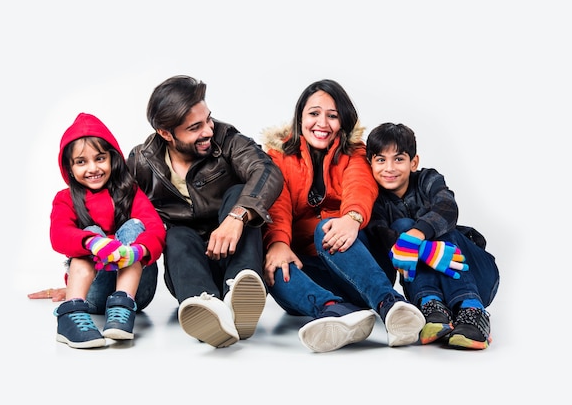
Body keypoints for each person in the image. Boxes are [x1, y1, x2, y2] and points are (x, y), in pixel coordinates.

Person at [261, 79, 425, 353]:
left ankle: (390, 304)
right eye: (314, 114)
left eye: (332, 116)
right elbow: (276, 204)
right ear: (300, 117)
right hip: (312, 272)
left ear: (343, 120)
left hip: (358, 262)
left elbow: (360, 185)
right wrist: (278, 243)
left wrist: (352, 217)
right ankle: (333, 311)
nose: (322, 123)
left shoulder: (355, 152)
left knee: (326, 227)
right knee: (273, 262)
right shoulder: (278, 156)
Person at [125, 75, 284, 348]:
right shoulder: (142, 161)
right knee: (176, 235)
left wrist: (237, 217)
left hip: (238, 254)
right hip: (188, 267)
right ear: (166, 133)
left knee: (238, 195)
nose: (208, 130)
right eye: (195, 127)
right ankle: (206, 307)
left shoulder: (227, 139)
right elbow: (114, 213)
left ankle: (240, 292)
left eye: (208, 119)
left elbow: (266, 170)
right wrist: (79, 279)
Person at [364, 122, 500, 350]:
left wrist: (417, 237)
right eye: (380, 160)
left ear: (413, 162)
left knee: (438, 227)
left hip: (476, 275)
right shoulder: (375, 201)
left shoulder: (428, 179)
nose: (389, 167)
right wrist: (424, 251)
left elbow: (447, 207)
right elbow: (382, 236)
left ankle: (473, 310)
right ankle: (432, 308)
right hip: (430, 288)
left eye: (398, 159)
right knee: (401, 228)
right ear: (370, 164)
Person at [49, 112, 166, 349]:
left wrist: (137, 251)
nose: (93, 168)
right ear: (70, 168)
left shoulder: (130, 192)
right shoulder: (66, 199)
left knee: (134, 226)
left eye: (99, 158)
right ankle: (70, 313)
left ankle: (121, 307)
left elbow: (155, 227)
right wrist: (92, 243)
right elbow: (59, 234)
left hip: (136, 293)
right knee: (88, 233)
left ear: (112, 159)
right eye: (81, 162)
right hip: (94, 294)